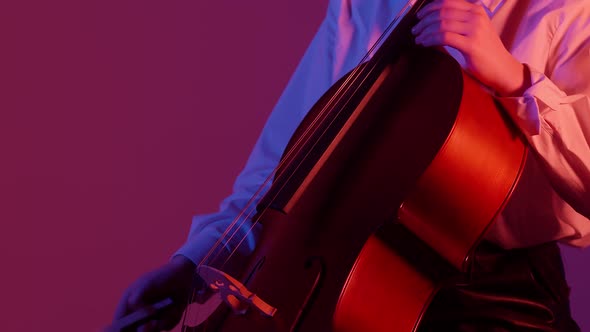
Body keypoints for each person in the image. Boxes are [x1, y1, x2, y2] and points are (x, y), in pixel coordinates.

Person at [114, 0, 590, 330]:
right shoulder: (366, 5)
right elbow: (286, 164)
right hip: (341, 269)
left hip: (493, 299)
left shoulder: (569, 12)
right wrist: (196, 263)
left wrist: (517, 80)